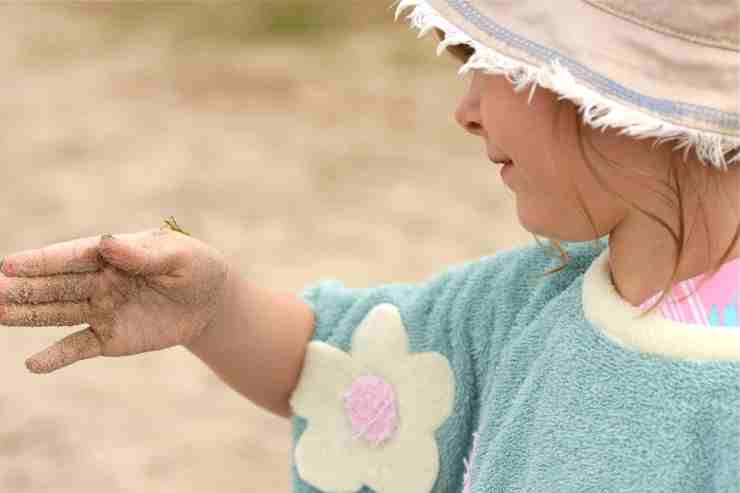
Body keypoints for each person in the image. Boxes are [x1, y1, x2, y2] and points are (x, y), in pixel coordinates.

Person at [0, 1, 739, 491]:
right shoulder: (532, 300)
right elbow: (354, 374)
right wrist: (213, 310)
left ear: (604, 88)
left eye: (491, 64)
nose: (468, 110)